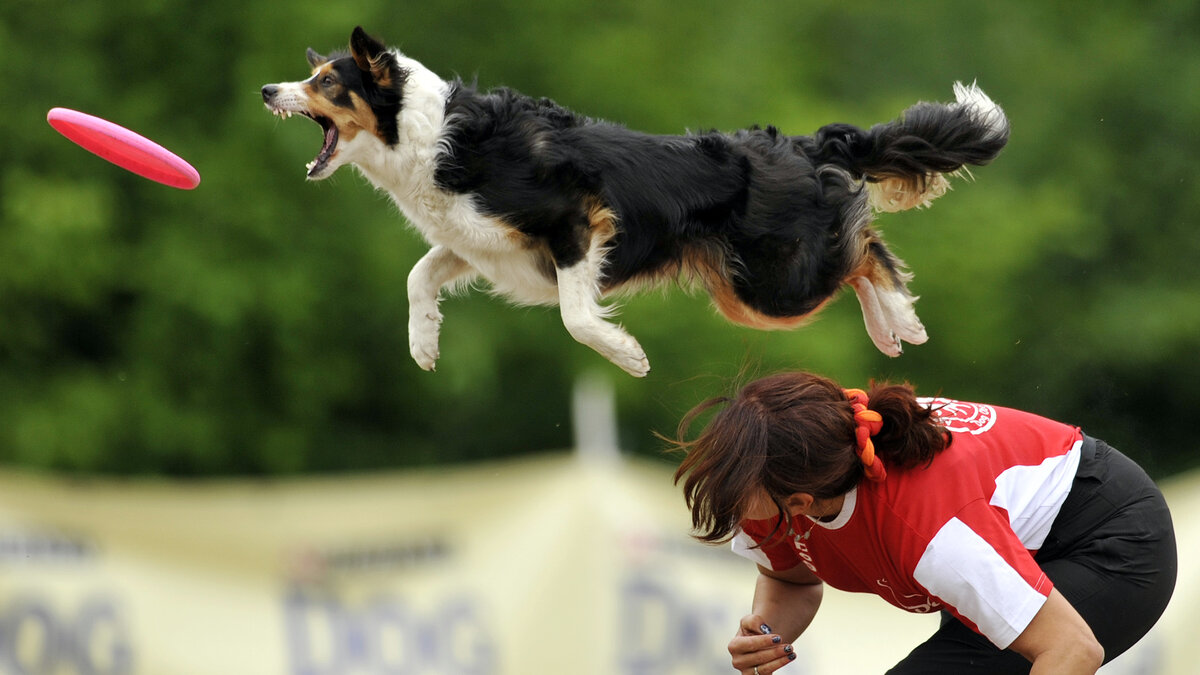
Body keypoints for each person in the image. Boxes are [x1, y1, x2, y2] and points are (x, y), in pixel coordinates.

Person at [671, 371, 1176, 674]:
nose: (729, 503)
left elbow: (1071, 648)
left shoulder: (928, 529)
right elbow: (791, 579)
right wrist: (769, 634)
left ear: (802, 503)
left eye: (736, 496)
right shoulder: (774, 484)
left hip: (1105, 538)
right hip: (1007, 531)